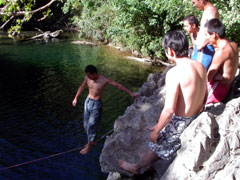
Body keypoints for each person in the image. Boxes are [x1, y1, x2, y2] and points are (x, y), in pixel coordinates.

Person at [119, 30, 207, 174]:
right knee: (157, 129)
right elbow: (205, 94)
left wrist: (157, 130)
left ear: (170, 51)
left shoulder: (175, 73)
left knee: (156, 138)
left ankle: (137, 166)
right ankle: (149, 158)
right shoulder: (200, 66)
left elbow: (169, 110)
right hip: (195, 116)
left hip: (181, 121)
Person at [72, 65, 138, 154]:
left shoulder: (104, 80)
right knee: (85, 125)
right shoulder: (87, 78)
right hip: (87, 102)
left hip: (96, 104)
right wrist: (75, 98)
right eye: (87, 75)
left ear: (94, 74)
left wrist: (131, 93)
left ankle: (88, 145)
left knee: (91, 125)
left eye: (89, 75)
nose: (88, 77)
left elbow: (118, 85)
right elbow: (82, 86)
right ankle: (92, 140)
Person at [204, 19, 239, 104]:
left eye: (207, 35)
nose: (206, 38)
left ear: (214, 35)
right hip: (227, 84)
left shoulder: (221, 52)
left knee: (196, 100)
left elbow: (209, 77)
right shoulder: (233, 44)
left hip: (219, 89)